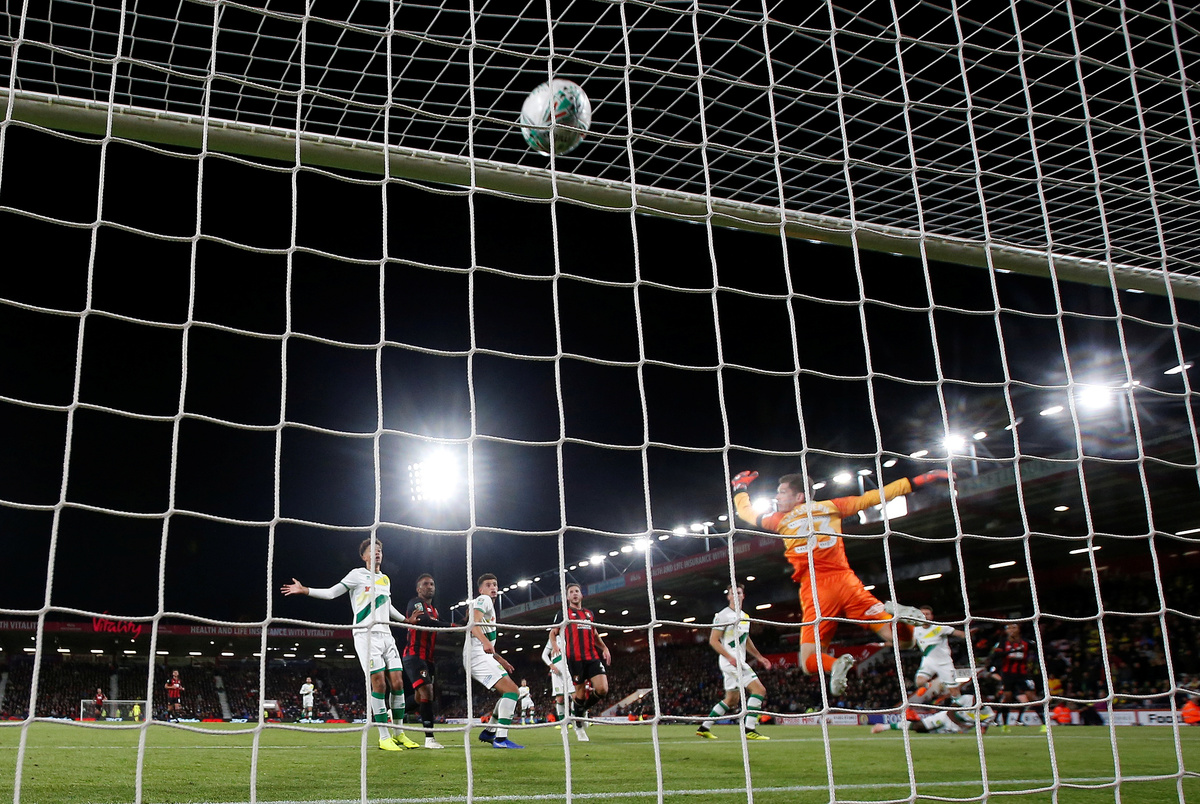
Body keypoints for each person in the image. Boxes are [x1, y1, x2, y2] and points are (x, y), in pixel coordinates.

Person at [731, 469, 950, 696]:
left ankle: (834, 664)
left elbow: (746, 513)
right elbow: (875, 497)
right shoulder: (832, 506)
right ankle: (901, 618)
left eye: (782, 492)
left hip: (816, 588)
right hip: (847, 582)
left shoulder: (779, 519)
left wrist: (740, 488)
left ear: (799, 497)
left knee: (808, 661)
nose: (777, 497)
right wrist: (920, 479)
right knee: (904, 642)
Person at [281, 538, 422, 751]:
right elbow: (331, 593)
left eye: (379, 550)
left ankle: (399, 733)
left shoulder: (385, 579)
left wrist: (406, 620)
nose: (377, 553)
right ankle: (384, 737)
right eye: (372, 550)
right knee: (379, 684)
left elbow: (387, 604)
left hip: (386, 635)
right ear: (363, 556)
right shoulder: (356, 575)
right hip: (366, 635)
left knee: (398, 683)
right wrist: (305, 590)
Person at [696, 583, 773, 740]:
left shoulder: (745, 617)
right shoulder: (723, 615)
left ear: (743, 595)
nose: (736, 595)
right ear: (728, 596)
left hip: (736, 661)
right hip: (731, 661)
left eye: (739, 592)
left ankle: (704, 728)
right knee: (759, 690)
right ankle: (749, 729)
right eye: (733, 593)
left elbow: (746, 640)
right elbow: (713, 640)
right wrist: (730, 657)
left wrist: (759, 657)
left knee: (732, 700)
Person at [549, 581, 613, 743]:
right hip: (575, 659)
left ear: (581, 595)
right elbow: (553, 632)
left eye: (577, 591)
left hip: (592, 657)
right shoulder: (563, 614)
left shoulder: (589, 614)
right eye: (571, 592)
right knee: (580, 694)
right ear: (567, 597)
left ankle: (580, 710)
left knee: (603, 689)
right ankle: (578, 726)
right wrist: (555, 645)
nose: (574, 594)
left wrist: (604, 648)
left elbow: (595, 634)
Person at [468, 573, 524, 749]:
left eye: (495, 584)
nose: (493, 587)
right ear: (481, 589)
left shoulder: (489, 607)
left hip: (482, 656)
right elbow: (473, 625)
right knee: (513, 691)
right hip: (477, 657)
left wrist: (500, 659)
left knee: (508, 693)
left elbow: (486, 643)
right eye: (488, 585)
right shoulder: (483, 600)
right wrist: (485, 642)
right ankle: (500, 739)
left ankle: (490, 732)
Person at [404, 572, 455, 749]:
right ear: (418, 589)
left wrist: (465, 622)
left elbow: (442, 625)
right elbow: (425, 621)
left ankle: (393, 711)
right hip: (414, 655)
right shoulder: (415, 603)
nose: (429, 587)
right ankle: (429, 738)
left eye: (432, 584)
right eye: (425, 584)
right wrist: (453, 626)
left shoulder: (435, 611)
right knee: (427, 692)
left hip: (429, 659)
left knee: (420, 697)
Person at [987, 622, 1042, 731]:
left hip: (1023, 674)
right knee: (1007, 698)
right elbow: (995, 655)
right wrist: (1011, 651)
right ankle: (1005, 725)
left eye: (1014, 628)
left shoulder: (1026, 642)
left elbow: (1039, 651)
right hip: (1008, 675)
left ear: (1019, 630)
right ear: (1006, 631)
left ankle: (1044, 724)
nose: (1011, 630)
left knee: (1031, 697)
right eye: (1009, 628)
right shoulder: (1002, 643)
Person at [910, 606, 968, 705]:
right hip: (928, 661)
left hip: (944, 663)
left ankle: (962, 707)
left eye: (927, 614)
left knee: (954, 692)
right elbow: (910, 643)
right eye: (922, 614)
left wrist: (968, 634)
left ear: (932, 616)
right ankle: (927, 685)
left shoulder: (940, 627)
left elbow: (960, 634)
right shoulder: (916, 630)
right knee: (919, 682)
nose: (925, 616)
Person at [871, 693, 995, 735]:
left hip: (958, 729)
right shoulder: (966, 698)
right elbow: (950, 712)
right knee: (919, 727)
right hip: (946, 718)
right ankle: (884, 727)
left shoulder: (989, 714)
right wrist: (961, 724)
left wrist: (976, 729)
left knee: (924, 732)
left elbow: (983, 730)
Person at [541, 631, 574, 726]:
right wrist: (551, 665)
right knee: (560, 699)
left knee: (574, 696)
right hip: (557, 673)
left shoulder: (571, 636)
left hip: (570, 669)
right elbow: (544, 655)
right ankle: (563, 723)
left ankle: (574, 720)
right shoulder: (553, 639)